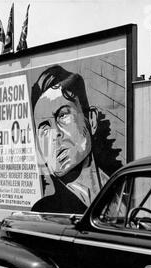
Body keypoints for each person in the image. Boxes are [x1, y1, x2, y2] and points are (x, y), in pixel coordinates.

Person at [30, 65, 109, 214]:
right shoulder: (46, 211)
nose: (55, 135)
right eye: (45, 128)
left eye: (63, 115)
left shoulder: (122, 193)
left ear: (91, 120)